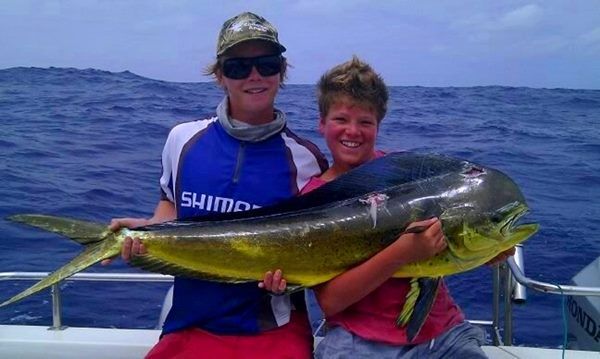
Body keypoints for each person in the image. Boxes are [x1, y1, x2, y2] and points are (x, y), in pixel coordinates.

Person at [106, 12, 328, 359]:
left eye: (267, 65)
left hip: (273, 331)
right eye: (239, 67)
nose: (254, 76)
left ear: (281, 73)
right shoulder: (182, 140)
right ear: (220, 75)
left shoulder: (307, 161)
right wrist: (149, 232)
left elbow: (317, 251)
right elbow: (171, 207)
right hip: (191, 324)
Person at [289, 56, 498, 358]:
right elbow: (331, 302)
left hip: (443, 333)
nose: (353, 131)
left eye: (365, 122)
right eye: (341, 119)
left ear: (378, 125)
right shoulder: (315, 198)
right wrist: (404, 252)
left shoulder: (407, 174)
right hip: (360, 342)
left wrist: (490, 249)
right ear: (321, 124)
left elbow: (450, 240)